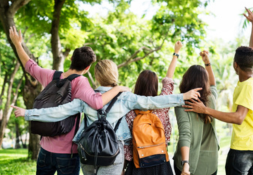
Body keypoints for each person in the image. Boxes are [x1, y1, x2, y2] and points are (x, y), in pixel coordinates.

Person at [12, 45, 201, 175]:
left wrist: (28, 113)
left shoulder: (86, 98)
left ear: (96, 76)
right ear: (115, 75)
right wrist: (182, 97)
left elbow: (57, 112)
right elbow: (154, 102)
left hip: (87, 153)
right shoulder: (125, 97)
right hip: (113, 155)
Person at [9, 27, 129, 175]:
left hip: (45, 150)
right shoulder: (81, 82)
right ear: (87, 68)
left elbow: (30, 66)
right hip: (67, 153)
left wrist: (17, 44)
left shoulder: (51, 75)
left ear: (71, 59)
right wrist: (118, 89)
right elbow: (97, 103)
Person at [183, 8, 253, 175]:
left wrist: (205, 109)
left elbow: (238, 117)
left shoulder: (248, 86)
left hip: (243, 151)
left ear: (235, 65)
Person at [123, 41, 183, 175]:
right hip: (161, 163)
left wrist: (123, 168)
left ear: (138, 85)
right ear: (155, 87)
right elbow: (168, 80)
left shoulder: (129, 109)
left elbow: (126, 144)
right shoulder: (162, 106)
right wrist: (176, 53)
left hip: (138, 164)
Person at [173, 50, 218, 175]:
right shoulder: (211, 99)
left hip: (189, 164)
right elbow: (213, 85)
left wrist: (185, 163)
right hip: (210, 164)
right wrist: (207, 63)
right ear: (205, 82)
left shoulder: (182, 102)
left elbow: (185, 134)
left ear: (186, 80)